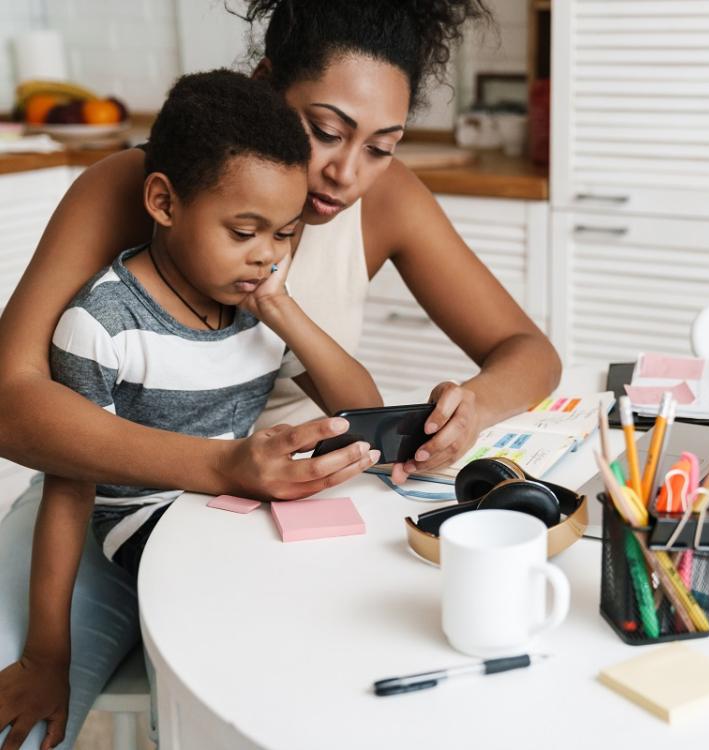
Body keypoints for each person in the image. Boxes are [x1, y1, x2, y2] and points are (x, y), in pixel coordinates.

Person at [0, 0, 561, 500]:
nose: (346, 174)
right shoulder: (147, 184)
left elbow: (530, 351)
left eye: (380, 146)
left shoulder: (389, 199)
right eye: (324, 130)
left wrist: (473, 409)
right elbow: (10, 402)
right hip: (121, 501)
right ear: (265, 83)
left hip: (287, 506)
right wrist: (221, 466)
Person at [0, 69, 384, 750]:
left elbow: (364, 411)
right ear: (163, 202)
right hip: (137, 537)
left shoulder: (258, 310)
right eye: (244, 230)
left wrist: (283, 309)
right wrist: (45, 656)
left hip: (222, 525)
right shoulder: (103, 324)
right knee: (212, 686)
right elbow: (69, 484)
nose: (266, 255)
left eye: (286, 235)